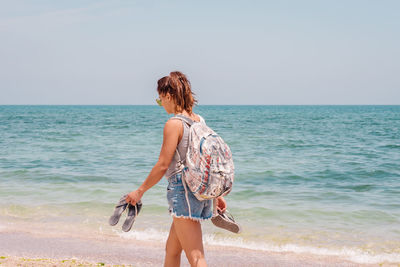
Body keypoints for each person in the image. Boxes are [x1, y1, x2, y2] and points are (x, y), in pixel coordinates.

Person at [126, 71, 227, 267]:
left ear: (169, 96)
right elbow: (205, 163)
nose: (161, 104)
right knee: (172, 250)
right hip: (198, 190)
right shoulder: (200, 121)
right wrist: (217, 195)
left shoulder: (174, 124)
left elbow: (163, 164)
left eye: (160, 99)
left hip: (183, 193)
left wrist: (139, 191)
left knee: (196, 257)